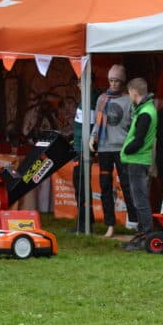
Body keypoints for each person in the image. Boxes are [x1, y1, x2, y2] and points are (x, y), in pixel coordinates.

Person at [89, 65, 136, 238]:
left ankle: (134, 221)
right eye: (111, 80)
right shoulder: (102, 99)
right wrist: (92, 136)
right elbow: (96, 122)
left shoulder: (129, 100)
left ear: (123, 82)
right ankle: (110, 224)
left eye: (117, 81)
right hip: (104, 148)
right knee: (105, 186)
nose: (114, 84)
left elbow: (133, 125)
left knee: (127, 185)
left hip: (122, 148)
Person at [119, 78, 158, 251]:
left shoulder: (145, 113)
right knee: (140, 199)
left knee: (140, 200)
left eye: (129, 93)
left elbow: (139, 139)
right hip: (138, 160)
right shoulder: (146, 109)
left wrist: (127, 149)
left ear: (134, 93)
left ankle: (147, 236)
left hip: (137, 160)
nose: (129, 96)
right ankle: (143, 236)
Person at [72, 77, 99, 233]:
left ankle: (84, 223)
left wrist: (83, 150)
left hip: (83, 149)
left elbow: (88, 128)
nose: (78, 85)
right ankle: (87, 220)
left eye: (80, 82)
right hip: (80, 148)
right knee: (81, 184)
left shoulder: (89, 100)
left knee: (81, 185)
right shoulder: (86, 99)